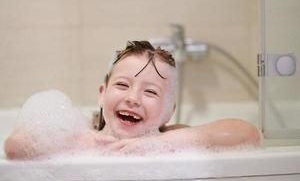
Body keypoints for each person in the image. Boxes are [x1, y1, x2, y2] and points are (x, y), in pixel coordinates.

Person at [4, 41, 260, 159]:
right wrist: (83, 142)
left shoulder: (169, 136)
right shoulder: (81, 132)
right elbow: (14, 147)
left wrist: (161, 143)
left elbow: (247, 133)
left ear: (169, 111)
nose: (133, 98)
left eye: (150, 92)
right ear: (102, 94)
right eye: (122, 85)